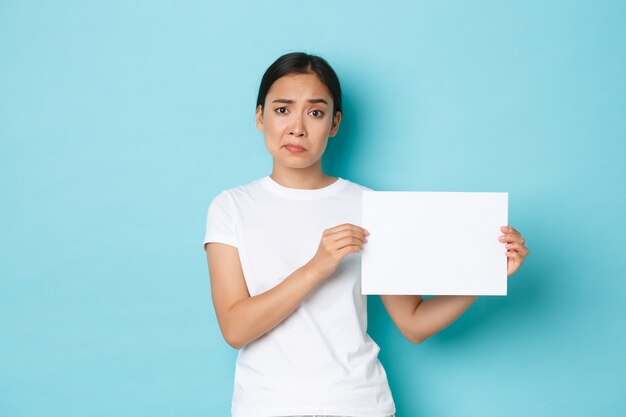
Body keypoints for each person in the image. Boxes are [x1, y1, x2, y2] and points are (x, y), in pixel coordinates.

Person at [203, 52, 529, 417]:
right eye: (282, 110)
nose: (297, 127)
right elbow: (235, 328)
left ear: (334, 123)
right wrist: (317, 266)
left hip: (358, 403)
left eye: (315, 112)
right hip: (266, 405)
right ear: (260, 116)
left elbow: (414, 323)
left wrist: (484, 273)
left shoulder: (370, 206)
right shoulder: (231, 206)